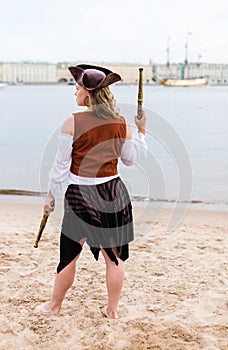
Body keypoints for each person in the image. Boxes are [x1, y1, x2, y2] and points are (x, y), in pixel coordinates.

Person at [35, 64, 147, 319]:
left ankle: (54, 306)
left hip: (80, 196)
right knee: (114, 258)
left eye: (77, 89)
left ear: (88, 93)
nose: (74, 93)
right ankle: (112, 310)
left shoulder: (72, 122)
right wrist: (141, 130)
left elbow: (60, 166)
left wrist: (51, 197)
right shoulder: (120, 122)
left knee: (70, 255)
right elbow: (130, 159)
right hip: (113, 194)